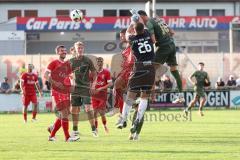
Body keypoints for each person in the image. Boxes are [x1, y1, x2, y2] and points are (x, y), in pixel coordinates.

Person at [117, 22, 156, 141]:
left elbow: (128, 33)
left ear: (134, 30)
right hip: (150, 69)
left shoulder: (132, 39)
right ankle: (137, 121)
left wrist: (131, 22)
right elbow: (146, 29)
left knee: (130, 95)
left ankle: (123, 119)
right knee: (144, 97)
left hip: (139, 68)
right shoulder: (148, 34)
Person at [137, 10, 184, 104]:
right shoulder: (158, 19)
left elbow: (153, 40)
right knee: (174, 71)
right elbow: (172, 32)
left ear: (141, 16)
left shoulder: (149, 23)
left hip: (163, 47)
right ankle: (181, 96)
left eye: (138, 18)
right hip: (172, 45)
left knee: (150, 69)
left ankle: (146, 96)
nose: (138, 21)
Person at [44, 45, 79, 142]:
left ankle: (52, 135)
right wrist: (55, 83)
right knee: (64, 113)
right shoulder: (53, 63)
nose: (64, 52)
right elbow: (45, 75)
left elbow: (71, 76)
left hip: (66, 91)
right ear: (57, 52)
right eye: (61, 50)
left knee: (66, 114)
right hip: (57, 91)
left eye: (64, 50)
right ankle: (67, 137)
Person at [69, 41, 98, 138]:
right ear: (75, 49)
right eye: (78, 48)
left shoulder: (87, 60)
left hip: (85, 88)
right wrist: (70, 81)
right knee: (74, 109)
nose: (80, 50)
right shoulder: (71, 61)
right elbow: (67, 74)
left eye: (81, 48)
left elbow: (94, 74)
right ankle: (75, 130)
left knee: (88, 108)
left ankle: (94, 129)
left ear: (83, 49)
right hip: (75, 89)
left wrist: (93, 85)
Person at [112, 28, 135, 122]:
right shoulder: (127, 46)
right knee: (118, 89)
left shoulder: (131, 42)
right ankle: (121, 113)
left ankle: (119, 110)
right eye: (120, 36)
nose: (121, 37)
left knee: (117, 87)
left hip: (130, 70)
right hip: (125, 70)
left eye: (122, 35)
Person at [91, 57, 112, 133]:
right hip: (94, 96)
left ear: (103, 63)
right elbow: (89, 83)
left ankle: (104, 125)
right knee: (94, 112)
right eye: (98, 61)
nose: (100, 63)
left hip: (102, 96)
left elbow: (110, 84)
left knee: (102, 113)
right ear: (96, 63)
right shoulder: (92, 73)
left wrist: (101, 88)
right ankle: (96, 129)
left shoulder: (106, 72)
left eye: (101, 61)